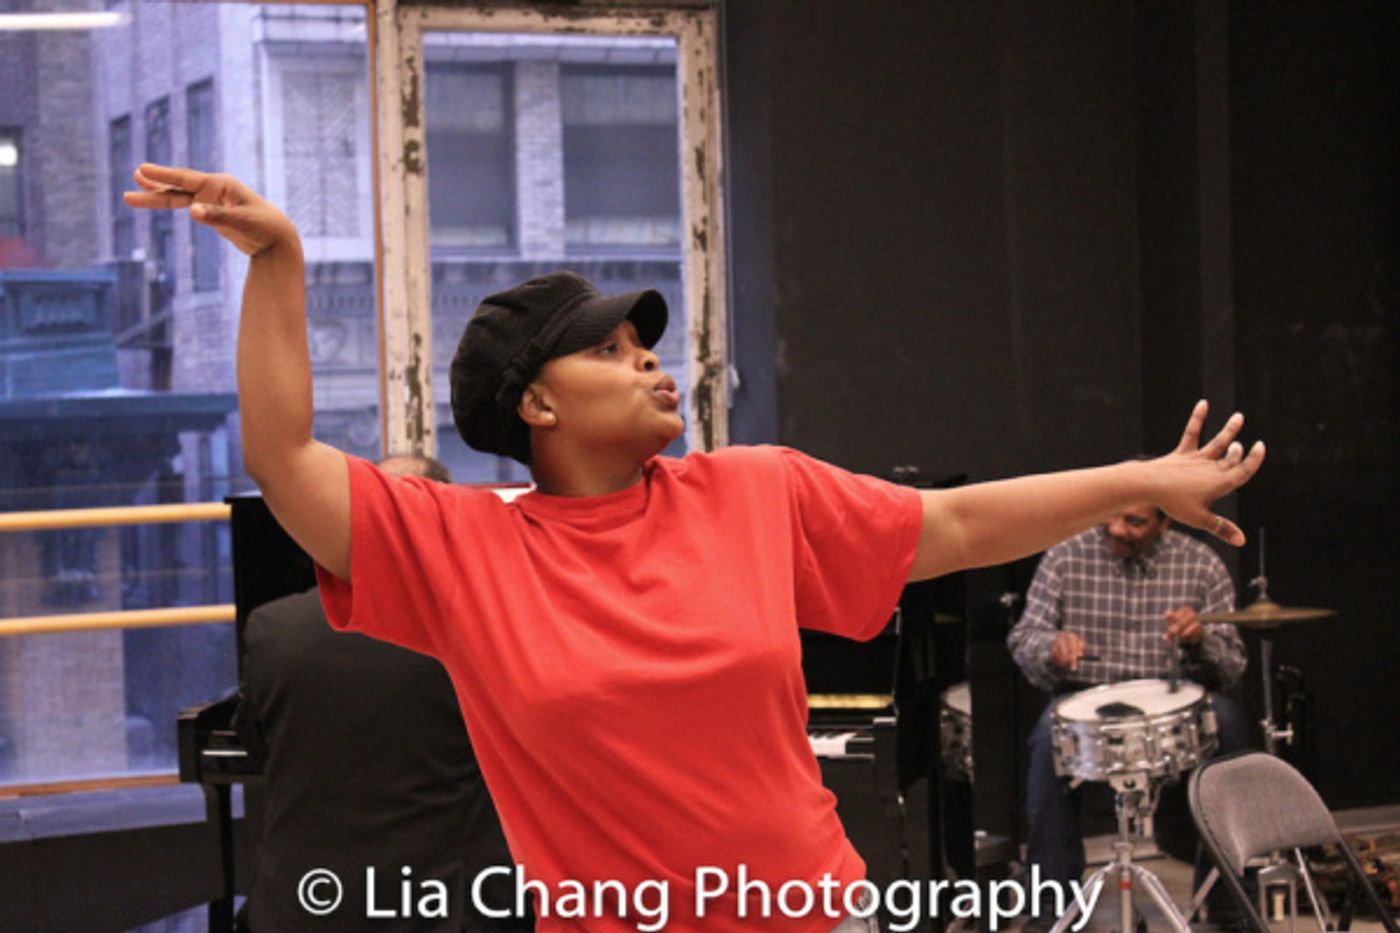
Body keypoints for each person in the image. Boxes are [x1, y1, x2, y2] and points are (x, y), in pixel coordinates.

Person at [125, 163, 1265, 933]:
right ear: (535, 406)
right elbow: (283, 457)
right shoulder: (462, 547)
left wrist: (1141, 479)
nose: (649, 363)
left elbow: (957, 527)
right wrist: (277, 257)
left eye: (645, 345)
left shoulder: (751, 493)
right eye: (612, 352)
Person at [233, 454, 530, 933]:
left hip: (300, 910)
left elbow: (257, 748)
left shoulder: (273, 628)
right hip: (443, 910)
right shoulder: (483, 631)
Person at [1005, 502, 1251, 929]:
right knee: (1047, 740)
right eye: (1110, 516)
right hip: (1086, 694)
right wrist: (1051, 648)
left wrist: (1200, 640)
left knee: (1228, 725)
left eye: (1134, 521)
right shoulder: (1065, 556)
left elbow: (1231, 667)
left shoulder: (1201, 564)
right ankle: (1051, 907)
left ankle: (1228, 902)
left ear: (1165, 521)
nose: (1117, 529)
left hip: (1175, 694)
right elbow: (1025, 637)